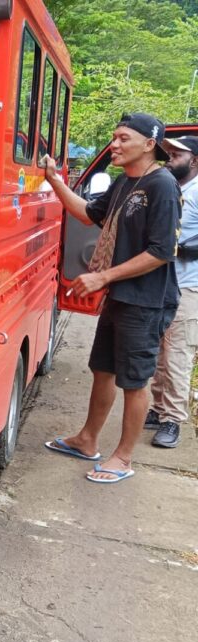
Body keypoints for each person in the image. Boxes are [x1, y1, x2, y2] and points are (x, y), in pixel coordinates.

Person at [41, 113, 181, 482]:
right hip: (119, 296)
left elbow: (161, 251)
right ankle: (87, 440)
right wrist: (55, 180)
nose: (114, 145)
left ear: (149, 145)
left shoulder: (161, 185)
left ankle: (124, 457)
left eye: (123, 138)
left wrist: (102, 275)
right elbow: (87, 214)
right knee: (102, 369)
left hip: (146, 300)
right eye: (114, 138)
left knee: (134, 381)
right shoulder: (124, 182)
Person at [146, 135, 198, 448]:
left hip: (187, 285)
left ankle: (173, 420)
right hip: (161, 282)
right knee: (159, 354)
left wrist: (180, 249)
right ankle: (157, 408)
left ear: (194, 160)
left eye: (178, 154)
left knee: (178, 353)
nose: (170, 157)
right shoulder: (171, 187)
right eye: (169, 152)